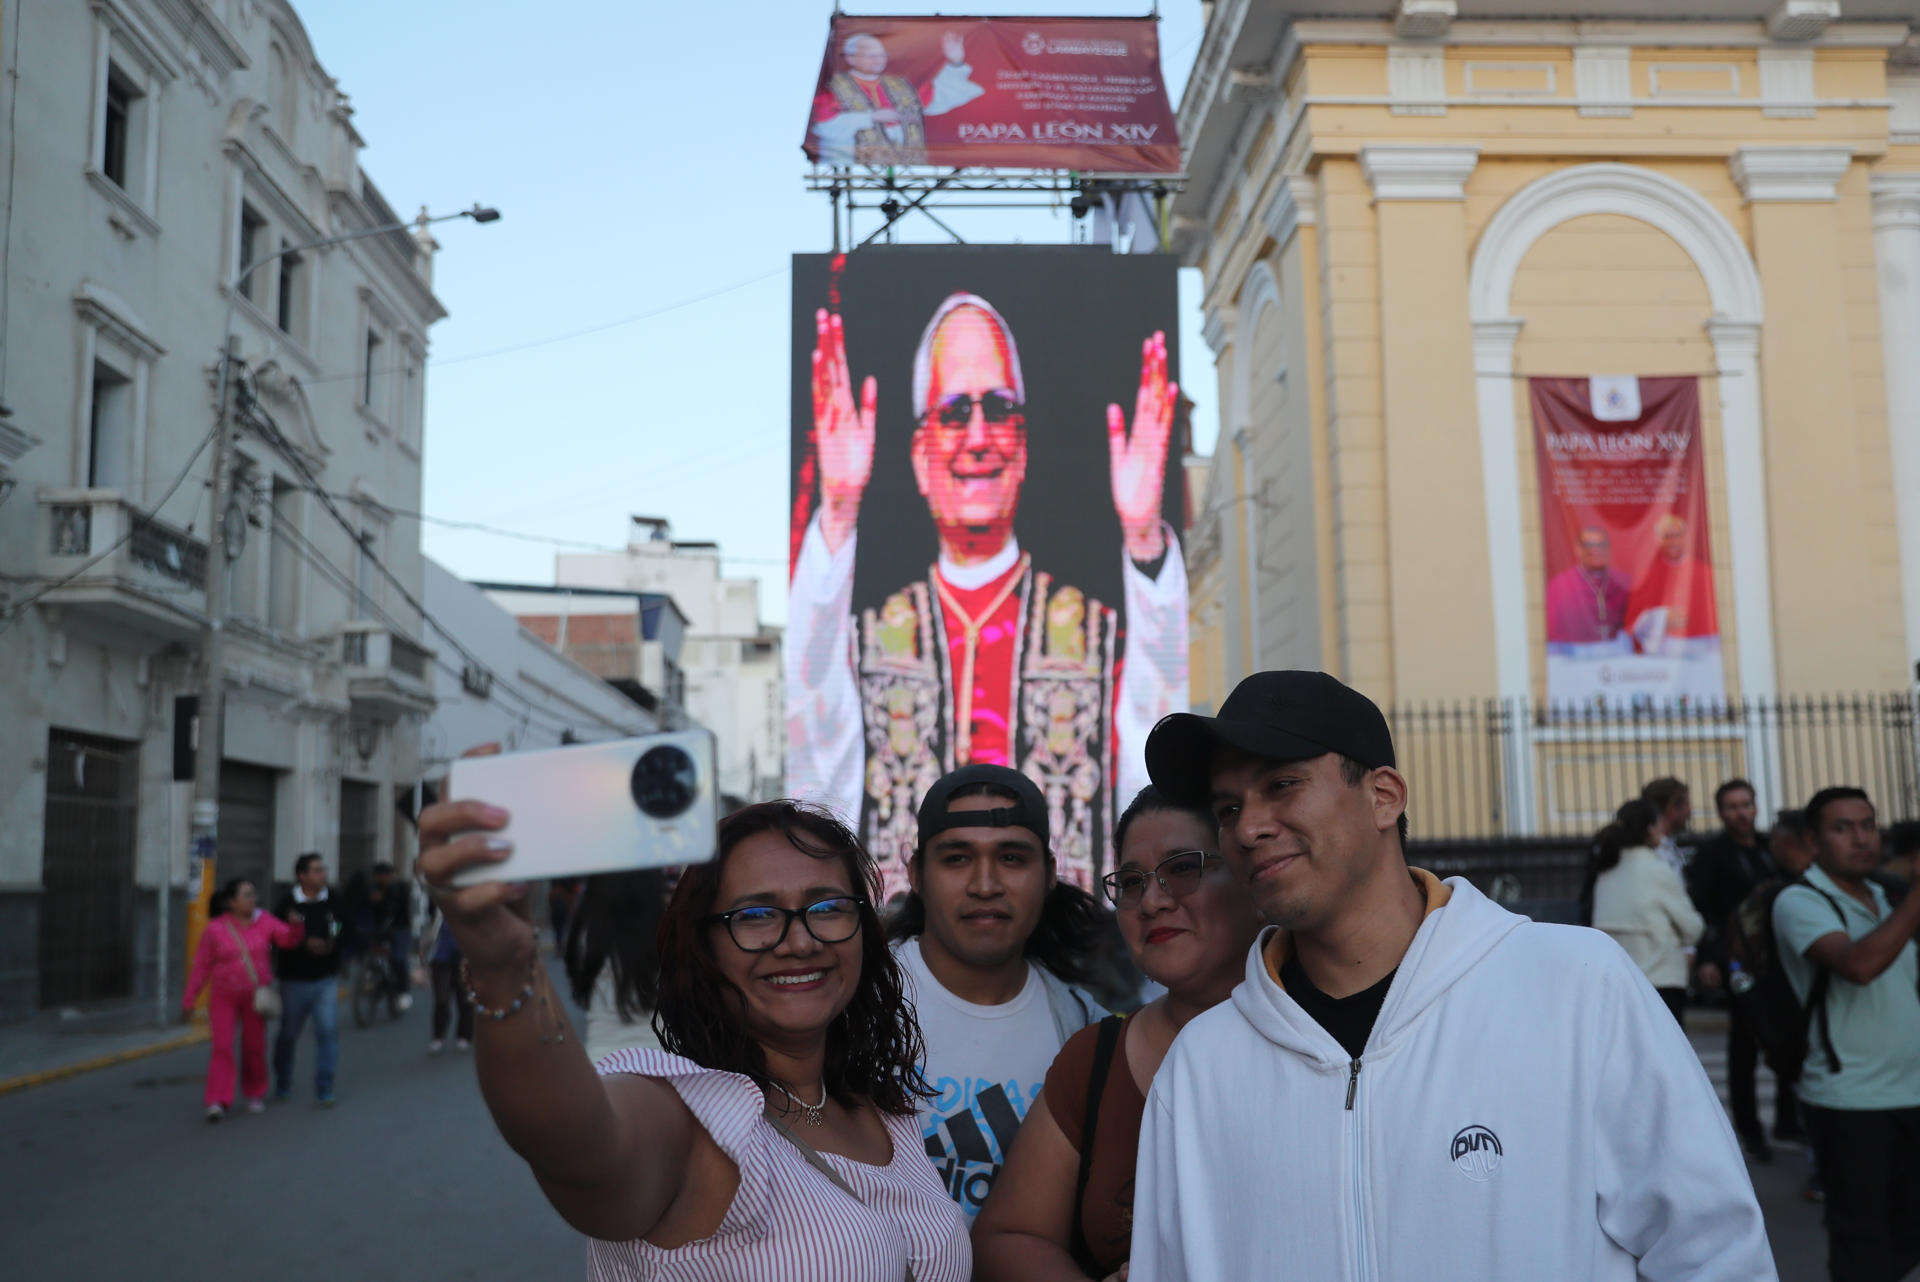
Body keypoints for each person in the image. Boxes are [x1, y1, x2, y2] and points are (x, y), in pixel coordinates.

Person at [1127, 670, 1772, 1280]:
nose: (1248, 827)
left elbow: (1712, 1251)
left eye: (1281, 785)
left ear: (1384, 797)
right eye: (1227, 808)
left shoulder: (1575, 987)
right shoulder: (1200, 1071)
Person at [418, 781, 970, 1280]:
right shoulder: (694, 1118)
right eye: (755, 917)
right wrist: (505, 968)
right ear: (703, 949)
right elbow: (575, 1142)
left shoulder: (882, 1108)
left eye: (826, 907)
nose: (800, 941)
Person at [788, 293, 1187, 892]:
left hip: (1067, 960)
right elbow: (816, 758)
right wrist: (839, 508)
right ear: (921, 457)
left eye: (998, 409)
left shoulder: (1098, 631)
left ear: (1022, 448)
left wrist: (1142, 533)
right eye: (953, 412)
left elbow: (1149, 761)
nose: (979, 437)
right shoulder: (865, 637)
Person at [972, 787, 1262, 1280]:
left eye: (1183, 868)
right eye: (1131, 882)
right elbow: (1007, 1238)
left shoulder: (1331, 1037)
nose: (1151, 900)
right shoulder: (1096, 1058)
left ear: (1253, 877)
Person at [888, 764, 1108, 1221]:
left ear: (1049, 873)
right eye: (957, 858)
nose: (984, 885)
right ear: (916, 873)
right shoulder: (855, 1001)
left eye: (1011, 858)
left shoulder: (1084, 1030)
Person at [1771, 786, 1920, 1282]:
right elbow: (1858, 965)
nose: (1860, 839)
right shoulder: (1799, 901)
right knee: (1862, 1245)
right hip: (1850, 1101)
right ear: (1814, 841)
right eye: (1843, 828)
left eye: (1868, 825)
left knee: (1905, 1238)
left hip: (1909, 1091)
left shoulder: (1884, 897)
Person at [1686, 777, 1796, 1157]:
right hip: (1737, 961)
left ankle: (1788, 1119)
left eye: (1746, 804)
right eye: (1732, 806)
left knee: (1788, 1036)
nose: (1741, 813)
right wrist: (1709, 958)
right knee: (1745, 1045)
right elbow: (1700, 910)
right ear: (1721, 812)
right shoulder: (1712, 855)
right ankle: (1750, 1130)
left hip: (1779, 960)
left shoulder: (1771, 849)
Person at [183, 877, 304, 1122]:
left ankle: (255, 1091)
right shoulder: (215, 929)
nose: (252, 900)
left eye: (253, 894)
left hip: (255, 998)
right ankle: (218, 1100)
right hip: (223, 997)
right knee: (222, 1047)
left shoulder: (265, 921)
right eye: (246, 895)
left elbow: (288, 941)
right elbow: (201, 967)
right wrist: (189, 999)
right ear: (231, 902)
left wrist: (296, 927)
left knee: (254, 1047)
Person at [1589, 798, 1705, 1026]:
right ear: (1651, 828)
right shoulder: (1657, 870)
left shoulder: (1606, 871)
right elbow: (1692, 927)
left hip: (1619, 983)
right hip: (1661, 980)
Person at [809, 30, 984, 165]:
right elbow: (824, 126)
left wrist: (955, 62)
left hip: (907, 163)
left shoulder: (899, 85)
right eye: (871, 56)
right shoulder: (835, 87)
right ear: (851, 58)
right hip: (854, 165)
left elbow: (938, 97)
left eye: (881, 55)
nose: (878, 60)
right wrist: (870, 117)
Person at [563, 869, 669, 1063]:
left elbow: (578, 980)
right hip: (663, 1061)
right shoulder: (666, 930)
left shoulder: (585, 932)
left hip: (603, 1061)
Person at [271, 852, 345, 1105]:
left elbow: (341, 923)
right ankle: (282, 1081)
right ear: (302, 876)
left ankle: (325, 1087)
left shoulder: (332, 899)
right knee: (289, 1033)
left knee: (327, 1031)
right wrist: (303, 942)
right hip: (294, 981)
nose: (322, 875)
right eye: (316, 870)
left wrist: (332, 940)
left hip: (325, 978)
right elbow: (276, 936)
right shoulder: (287, 904)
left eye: (323, 870)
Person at [1627, 513, 1719, 655]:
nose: (1673, 541)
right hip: (1664, 649)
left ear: (1686, 538)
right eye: (1667, 536)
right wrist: (1662, 617)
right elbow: (1634, 621)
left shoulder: (1706, 573)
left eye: (1678, 535)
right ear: (1658, 540)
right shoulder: (1647, 575)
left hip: (1704, 646)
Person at [1544, 524, 1630, 645]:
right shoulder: (1560, 585)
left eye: (1601, 545)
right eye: (1589, 545)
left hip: (1616, 652)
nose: (1596, 550)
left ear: (1608, 548)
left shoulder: (1623, 581)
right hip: (1576, 653)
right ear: (1578, 549)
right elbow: (1553, 631)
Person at [346, 861, 414, 1010]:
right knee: (370, 952)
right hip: (378, 928)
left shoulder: (399, 888)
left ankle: (403, 991)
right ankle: (374, 979)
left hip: (399, 928)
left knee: (398, 958)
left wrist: (383, 900)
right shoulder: (371, 888)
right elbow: (360, 907)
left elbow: (396, 909)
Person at [423, 905, 473, 1054]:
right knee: (441, 999)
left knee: (464, 998)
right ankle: (438, 1037)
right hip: (441, 958)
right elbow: (427, 930)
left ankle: (464, 1035)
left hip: (463, 958)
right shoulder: (437, 909)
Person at [1640, 775, 1693, 876]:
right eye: (1687, 804)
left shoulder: (1671, 845)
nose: (1689, 811)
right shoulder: (1658, 851)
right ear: (1671, 808)